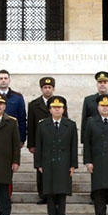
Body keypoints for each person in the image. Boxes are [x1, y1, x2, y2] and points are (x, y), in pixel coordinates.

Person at [34, 96, 77, 215]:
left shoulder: (70, 125)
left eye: (59, 107)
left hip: (64, 162)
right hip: (48, 162)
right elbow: (39, 145)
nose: (57, 110)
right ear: (50, 110)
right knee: (50, 192)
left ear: (64, 109)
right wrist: (38, 164)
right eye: (54, 107)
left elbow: (73, 146)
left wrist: (73, 165)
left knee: (62, 192)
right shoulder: (42, 125)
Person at [27, 76, 68, 204]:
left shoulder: (60, 103)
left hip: (57, 143)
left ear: (53, 88)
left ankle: (56, 193)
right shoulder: (33, 105)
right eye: (45, 87)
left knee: (57, 170)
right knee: (41, 170)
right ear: (41, 89)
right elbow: (31, 125)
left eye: (50, 87)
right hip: (41, 143)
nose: (47, 89)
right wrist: (31, 144)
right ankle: (43, 195)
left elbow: (66, 123)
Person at [81, 71, 108, 144]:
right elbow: (84, 121)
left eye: (105, 82)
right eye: (100, 82)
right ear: (97, 84)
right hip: (94, 139)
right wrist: (84, 141)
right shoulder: (88, 100)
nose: (102, 84)